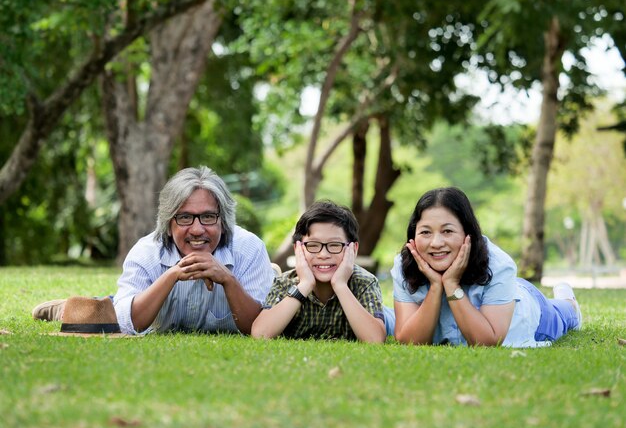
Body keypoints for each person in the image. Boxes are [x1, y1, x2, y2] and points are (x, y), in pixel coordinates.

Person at [33, 166, 275, 335]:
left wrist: (228, 280)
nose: (198, 229)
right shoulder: (147, 252)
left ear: (223, 221)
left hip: (250, 279)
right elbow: (130, 325)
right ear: (168, 225)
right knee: (107, 314)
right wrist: (171, 275)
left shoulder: (248, 249)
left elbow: (258, 327)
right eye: (185, 218)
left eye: (208, 217)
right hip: (133, 301)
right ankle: (67, 308)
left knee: (273, 289)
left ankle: (272, 273)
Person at [392, 187, 582, 348]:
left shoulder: (499, 264)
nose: (436, 242)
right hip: (505, 291)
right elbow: (409, 340)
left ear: (468, 234)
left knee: (564, 315)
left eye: (447, 231)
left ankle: (568, 302)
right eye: (425, 232)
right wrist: (435, 287)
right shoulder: (405, 266)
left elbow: (487, 342)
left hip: (530, 310)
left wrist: (451, 284)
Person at [251, 200, 388, 343]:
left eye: (335, 245)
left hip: (375, 315)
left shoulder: (364, 282)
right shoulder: (286, 282)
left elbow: (375, 339)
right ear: (298, 249)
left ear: (353, 249)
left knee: (388, 319)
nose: (323, 255)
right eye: (313, 245)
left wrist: (340, 285)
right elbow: (261, 333)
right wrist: (304, 285)